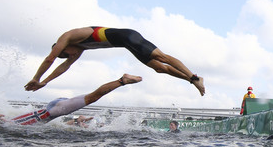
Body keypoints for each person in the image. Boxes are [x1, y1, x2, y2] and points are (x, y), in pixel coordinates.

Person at [24, 27, 204, 96]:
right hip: (126, 45)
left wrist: (36, 78)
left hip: (128, 36)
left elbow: (50, 59)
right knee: (160, 69)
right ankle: (191, 80)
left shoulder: (67, 37)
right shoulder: (78, 51)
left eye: (67, 54)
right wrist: (44, 83)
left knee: (161, 57)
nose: (72, 56)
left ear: (63, 48)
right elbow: (63, 68)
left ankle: (195, 78)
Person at [0, 74, 142, 125]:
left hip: (52, 111)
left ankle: (122, 81)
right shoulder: (18, 122)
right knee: (91, 97)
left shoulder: (14, 123)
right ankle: (121, 81)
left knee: (92, 98)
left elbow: (0, 119)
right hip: (52, 109)